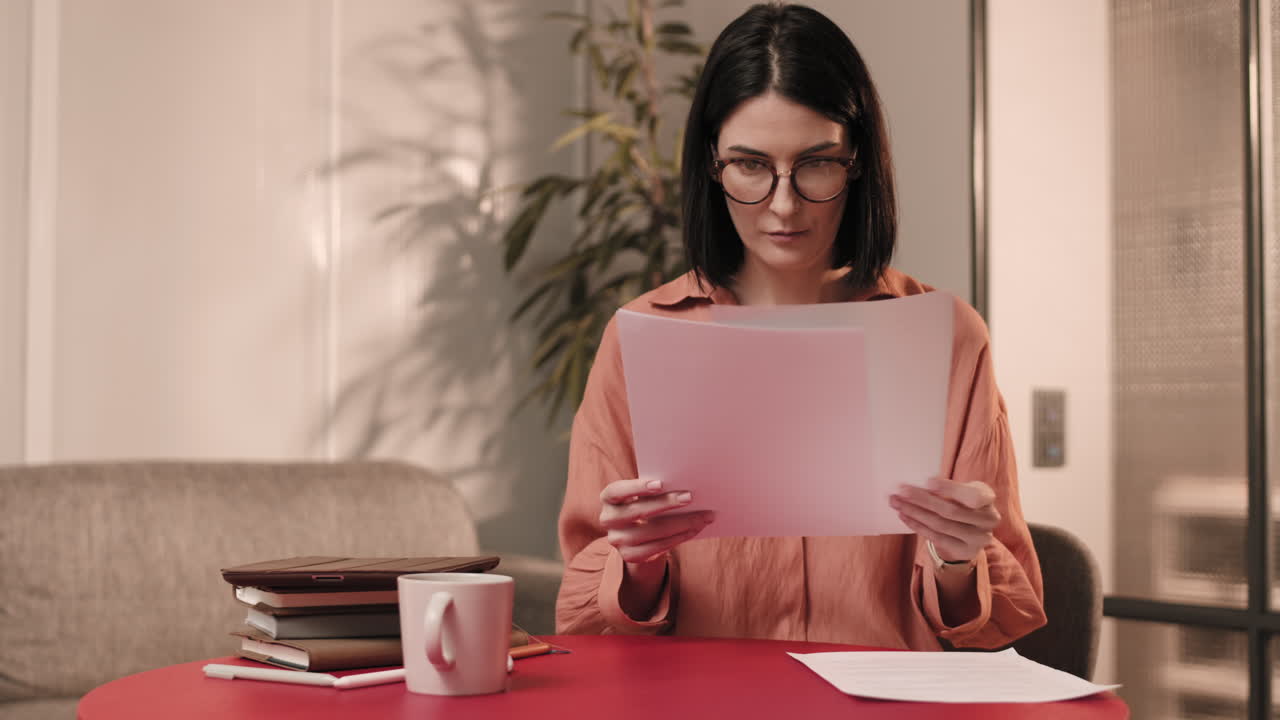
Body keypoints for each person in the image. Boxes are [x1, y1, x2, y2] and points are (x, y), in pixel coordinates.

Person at [555, 2, 1046, 650]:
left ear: (859, 160)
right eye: (751, 166)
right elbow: (583, 614)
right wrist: (639, 565)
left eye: (816, 163)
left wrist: (958, 560)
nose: (783, 205)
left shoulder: (947, 338)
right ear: (710, 163)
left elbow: (1004, 617)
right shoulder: (641, 337)